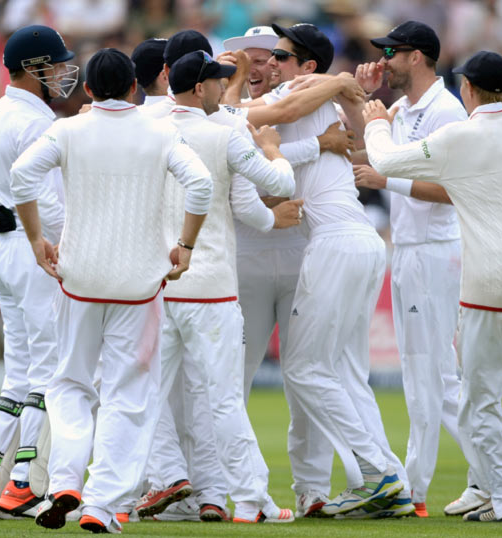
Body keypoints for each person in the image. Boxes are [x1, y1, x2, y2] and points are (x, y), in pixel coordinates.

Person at [364, 50, 502, 523]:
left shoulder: (457, 136)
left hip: (491, 282)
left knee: (478, 397)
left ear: (467, 89)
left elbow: (384, 160)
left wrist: (379, 119)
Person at [10, 47, 213, 534]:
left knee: (71, 384)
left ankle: (64, 482)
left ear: (89, 90)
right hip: (138, 285)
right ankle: (101, 504)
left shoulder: (67, 129)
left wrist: (37, 239)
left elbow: (21, 177)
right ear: (133, 88)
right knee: (129, 397)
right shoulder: (161, 131)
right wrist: (184, 246)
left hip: (79, 279)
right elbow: (201, 184)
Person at [239, 22, 410, 518]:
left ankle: (381, 474)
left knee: (305, 368)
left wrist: (339, 81)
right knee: (336, 370)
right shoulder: (320, 100)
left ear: (305, 67)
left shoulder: (299, 92)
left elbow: (272, 128)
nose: (271, 63)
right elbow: (354, 139)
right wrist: (345, 88)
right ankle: (381, 480)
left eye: (282, 56)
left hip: (336, 244)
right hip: (361, 242)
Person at [150, 49, 300, 524]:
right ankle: (251, 499)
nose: (222, 88)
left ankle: (138, 489)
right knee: (223, 399)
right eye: (217, 81)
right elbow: (279, 181)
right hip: (209, 286)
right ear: (200, 88)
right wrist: (274, 148)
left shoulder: (146, 129)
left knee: (147, 396)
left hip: (158, 286)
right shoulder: (223, 136)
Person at [352, 20, 480, 518]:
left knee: (430, 377)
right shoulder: (403, 109)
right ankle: (463, 476)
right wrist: (359, 99)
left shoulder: (446, 112)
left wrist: (389, 181)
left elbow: (454, 190)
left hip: (435, 249)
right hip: (409, 249)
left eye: (393, 52)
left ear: (419, 57)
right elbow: (358, 149)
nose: (384, 60)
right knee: (429, 377)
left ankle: (434, 485)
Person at [0, 24, 78, 520]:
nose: (61, 73)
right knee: (48, 372)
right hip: (34, 249)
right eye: (55, 65)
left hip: (2, 248)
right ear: (34, 69)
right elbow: (49, 205)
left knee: (18, 372)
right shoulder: (34, 121)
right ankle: (24, 484)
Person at [222, 25, 354, 403]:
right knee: (237, 373)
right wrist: (319, 144)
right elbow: (247, 165)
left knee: (307, 378)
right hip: (248, 253)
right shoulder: (233, 113)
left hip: (301, 251)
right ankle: (230, 464)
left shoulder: (306, 99)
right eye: (245, 65)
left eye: (266, 60)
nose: (256, 70)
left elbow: (348, 147)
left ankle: (312, 466)